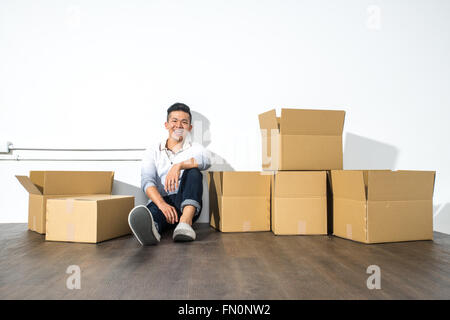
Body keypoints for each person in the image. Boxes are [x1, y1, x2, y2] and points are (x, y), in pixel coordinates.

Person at [128, 103, 211, 245]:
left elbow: (206, 161)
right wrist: (162, 204)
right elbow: (147, 181)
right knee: (154, 210)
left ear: (189, 128)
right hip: (163, 201)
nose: (179, 125)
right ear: (166, 124)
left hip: (186, 203)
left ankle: (185, 224)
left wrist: (179, 165)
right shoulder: (152, 151)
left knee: (193, 171)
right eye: (174, 121)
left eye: (184, 122)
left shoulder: (195, 148)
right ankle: (153, 229)